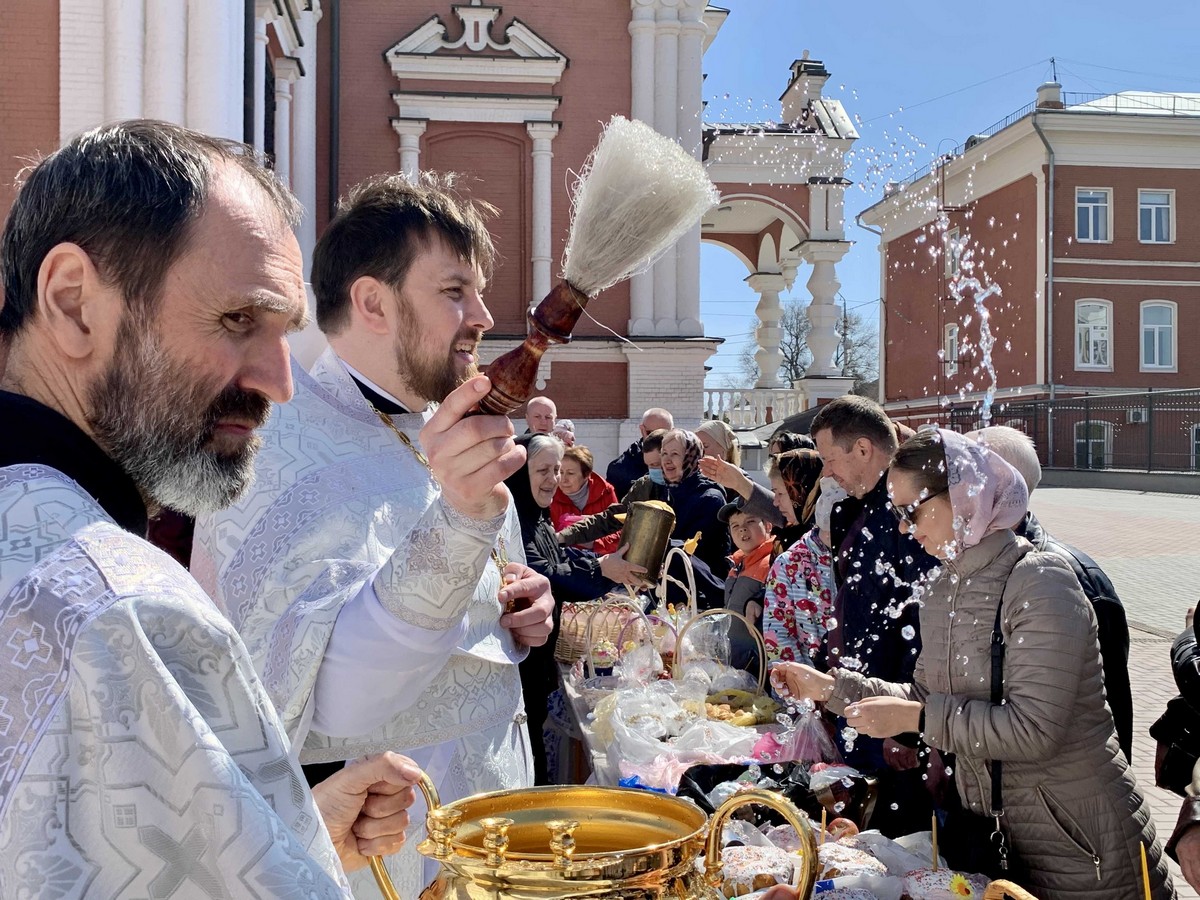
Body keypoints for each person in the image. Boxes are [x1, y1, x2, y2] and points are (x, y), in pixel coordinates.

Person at [0, 120, 424, 895]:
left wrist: (278, 833)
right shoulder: (119, 608)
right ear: (73, 302)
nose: (278, 380)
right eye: (239, 321)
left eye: (285, 334)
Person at [191, 172, 555, 897]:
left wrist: (522, 607)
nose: (484, 317)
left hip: (495, 822)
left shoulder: (439, 425)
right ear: (372, 302)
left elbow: (483, 597)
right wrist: (459, 520)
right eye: (455, 291)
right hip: (384, 850)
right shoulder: (271, 446)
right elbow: (336, 700)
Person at [774, 429, 1175, 900]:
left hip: (1081, 847)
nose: (904, 528)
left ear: (964, 496)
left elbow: (1036, 729)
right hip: (1000, 840)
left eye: (912, 511)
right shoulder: (946, 586)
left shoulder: (1041, 580)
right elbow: (925, 697)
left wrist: (917, 719)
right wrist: (831, 689)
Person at [809, 395, 937, 835]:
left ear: (863, 449)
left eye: (829, 459)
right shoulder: (852, 509)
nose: (825, 471)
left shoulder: (911, 513)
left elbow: (922, 620)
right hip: (861, 699)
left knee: (903, 835)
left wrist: (902, 728)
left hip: (896, 712)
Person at [967, 425, 1134, 762]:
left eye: (956, 477)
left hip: (1048, 798)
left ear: (996, 488)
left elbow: (1108, 710)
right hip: (986, 784)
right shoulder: (965, 562)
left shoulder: (1068, 578)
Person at [504, 434, 647, 784]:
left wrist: (602, 565)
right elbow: (545, 572)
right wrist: (601, 569)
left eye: (557, 470)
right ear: (519, 473)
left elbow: (561, 557)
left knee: (534, 724)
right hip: (518, 656)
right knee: (526, 736)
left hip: (537, 651)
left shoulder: (537, 515)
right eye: (543, 470)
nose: (553, 479)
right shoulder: (514, 518)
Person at [763, 471, 846, 665]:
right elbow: (779, 637)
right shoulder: (790, 564)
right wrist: (801, 689)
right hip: (808, 683)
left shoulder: (866, 555)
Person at [556, 429, 667, 549]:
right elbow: (612, 519)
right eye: (649, 466)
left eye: (656, 464)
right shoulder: (644, 486)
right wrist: (563, 536)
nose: (653, 470)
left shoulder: (605, 491)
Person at [659, 428, 730, 581]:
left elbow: (694, 550)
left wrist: (654, 540)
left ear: (691, 458)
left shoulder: (710, 498)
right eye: (664, 453)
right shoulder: (668, 493)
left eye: (675, 454)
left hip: (704, 590)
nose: (667, 460)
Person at [719, 500, 774, 670]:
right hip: (736, 664)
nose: (742, 529)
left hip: (759, 666)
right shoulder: (736, 564)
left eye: (750, 521)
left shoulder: (774, 562)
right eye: (735, 526)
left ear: (768, 525)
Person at [551, 444, 620, 554]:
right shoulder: (550, 494)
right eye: (560, 472)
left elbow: (619, 532)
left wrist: (595, 543)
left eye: (570, 473)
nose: (563, 480)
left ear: (587, 474)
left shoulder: (605, 491)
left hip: (600, 558)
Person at [607, 406, 674, 497]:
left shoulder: (686, 461)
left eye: (665, 433)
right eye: (651, 432)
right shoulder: (620, 468)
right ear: (642, 430)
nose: (658, 438)